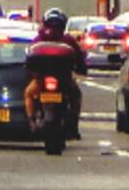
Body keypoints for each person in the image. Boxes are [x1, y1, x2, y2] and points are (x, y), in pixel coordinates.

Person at [24, 8, 86, 140]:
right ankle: (72, 125)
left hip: (50, 80)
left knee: (29, 94)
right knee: (76, 96)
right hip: (58, 80)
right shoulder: (67, 40)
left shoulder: (39, 39)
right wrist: (82, 69)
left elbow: (29, 59)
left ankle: (32, 121)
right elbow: (80, 59)